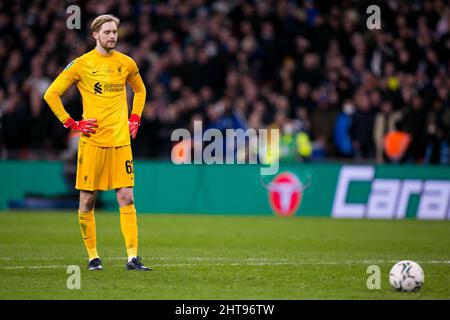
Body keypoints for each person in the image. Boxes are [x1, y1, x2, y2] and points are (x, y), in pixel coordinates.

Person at [44, 15, 150, 271]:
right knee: (87, 201)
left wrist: (134, 118)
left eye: (115, 32)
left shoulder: (126, 63)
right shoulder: (82, 64)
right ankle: (93, 257)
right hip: (92, 142)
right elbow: (51, 94)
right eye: (107, 32)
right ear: (95, 35)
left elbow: (140, 90)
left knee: (126, 198)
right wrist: (72, 124)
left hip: (121, 142)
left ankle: (132, 258)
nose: (112, 36)